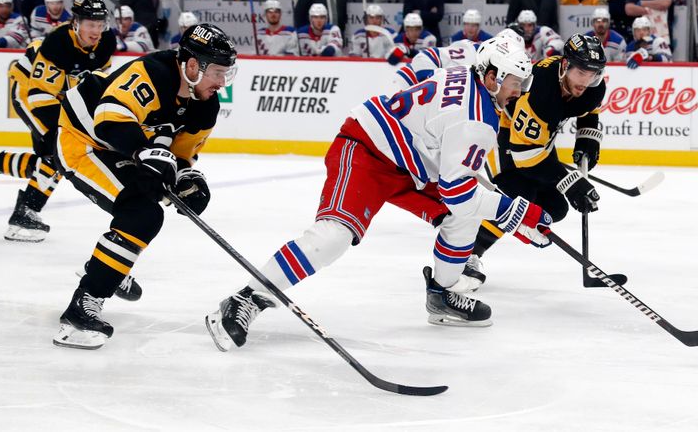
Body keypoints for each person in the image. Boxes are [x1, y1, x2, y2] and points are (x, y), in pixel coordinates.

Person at [204, 34, 553, 352]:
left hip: (411, 163)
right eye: (514, 82)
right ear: (491, 76)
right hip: (367, 151)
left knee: (465, 214)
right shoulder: (477, 119)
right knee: (334, 237)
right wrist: (521, 213)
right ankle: (246, 298)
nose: (520, 91)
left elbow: (427, 63)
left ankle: (442, 293)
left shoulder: (468, 74)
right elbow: (458, 192)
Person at [52, 24, 238, 350]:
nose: (222, 82)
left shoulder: (206, 105)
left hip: (123, 148)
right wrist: (143, 152)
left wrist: (186, 181)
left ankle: (107, 266)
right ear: (193, 66)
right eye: (219, 73)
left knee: (148, 204)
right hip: (83, 140)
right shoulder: (152, 72)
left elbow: (179, 157)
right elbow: (109, 121)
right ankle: (79, 311)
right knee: (141, 213)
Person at [462, 34, 608, 290]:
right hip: (507, 142)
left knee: (555, 208)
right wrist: (571, 183)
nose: (585, 82)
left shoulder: (592, 87)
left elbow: (589, 109)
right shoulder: (540, 91)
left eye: (593, 74)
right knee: (518, 195)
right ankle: (467, 255)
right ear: (565, 66)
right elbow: (524, 155)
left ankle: (518, 223)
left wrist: (588, 138)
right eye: (581, 73)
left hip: (540, 144)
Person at [0, 0, 116, 243]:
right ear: (76, 23)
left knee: (47, 161)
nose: (96, 31)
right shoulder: (58, 44)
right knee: (55, 154)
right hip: (28, 90)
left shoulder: (105, 44)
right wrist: (61, 133)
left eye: (100, 24)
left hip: (56, 95)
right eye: (90, 24)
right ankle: (24, 215)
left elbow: (94, 85)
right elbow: (39, 95)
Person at [393, 27, 526, 91]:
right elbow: (425, 57)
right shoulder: (473, 51)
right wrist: (432, 87)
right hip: (407, 85)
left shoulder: (498, 72)